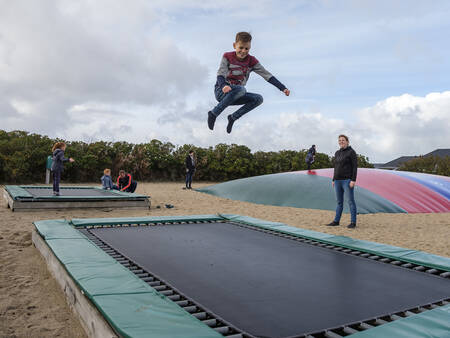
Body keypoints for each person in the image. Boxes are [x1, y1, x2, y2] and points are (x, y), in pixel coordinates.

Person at [207, 31, 290, 134]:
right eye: (240, 48)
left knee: (258, 99)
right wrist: (223, 85)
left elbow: (267, 75)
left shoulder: (251, 61)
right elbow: (220, 73)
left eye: (247, 48)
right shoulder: (227, 56)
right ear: (234, 45)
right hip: (221, 91)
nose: (243, 51)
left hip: (236, 95)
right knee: (241, 89)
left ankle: (233, 117)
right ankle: (213, 114)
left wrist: (282, 88)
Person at [327, 135, 358, 228]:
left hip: (347, 180)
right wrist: (333, 179)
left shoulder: (351, 152)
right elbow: (336, 167)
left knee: (350, 201)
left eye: (343, 140)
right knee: (339, 202)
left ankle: (353, 222)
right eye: (340, 140)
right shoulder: (337, 153)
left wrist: (353, 180)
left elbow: (354, 167)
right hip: (337, 181)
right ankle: (336, 221)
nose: (341, 142)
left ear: (347, 141)